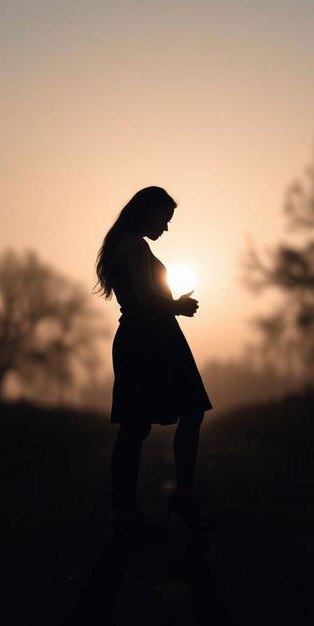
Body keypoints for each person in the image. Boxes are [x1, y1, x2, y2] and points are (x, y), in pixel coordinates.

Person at [95, 186, 213, 535]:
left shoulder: (125, 244)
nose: (166, 227)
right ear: (147, 212)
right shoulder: (134, 245)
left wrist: (172, 303)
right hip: (152, 339)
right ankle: (174, 499)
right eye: (164, 218)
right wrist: (177, 306)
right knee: (181, 413)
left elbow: (141, 297)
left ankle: (129, 508)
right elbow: (145, 298)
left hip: (144, 337)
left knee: (137, 425)